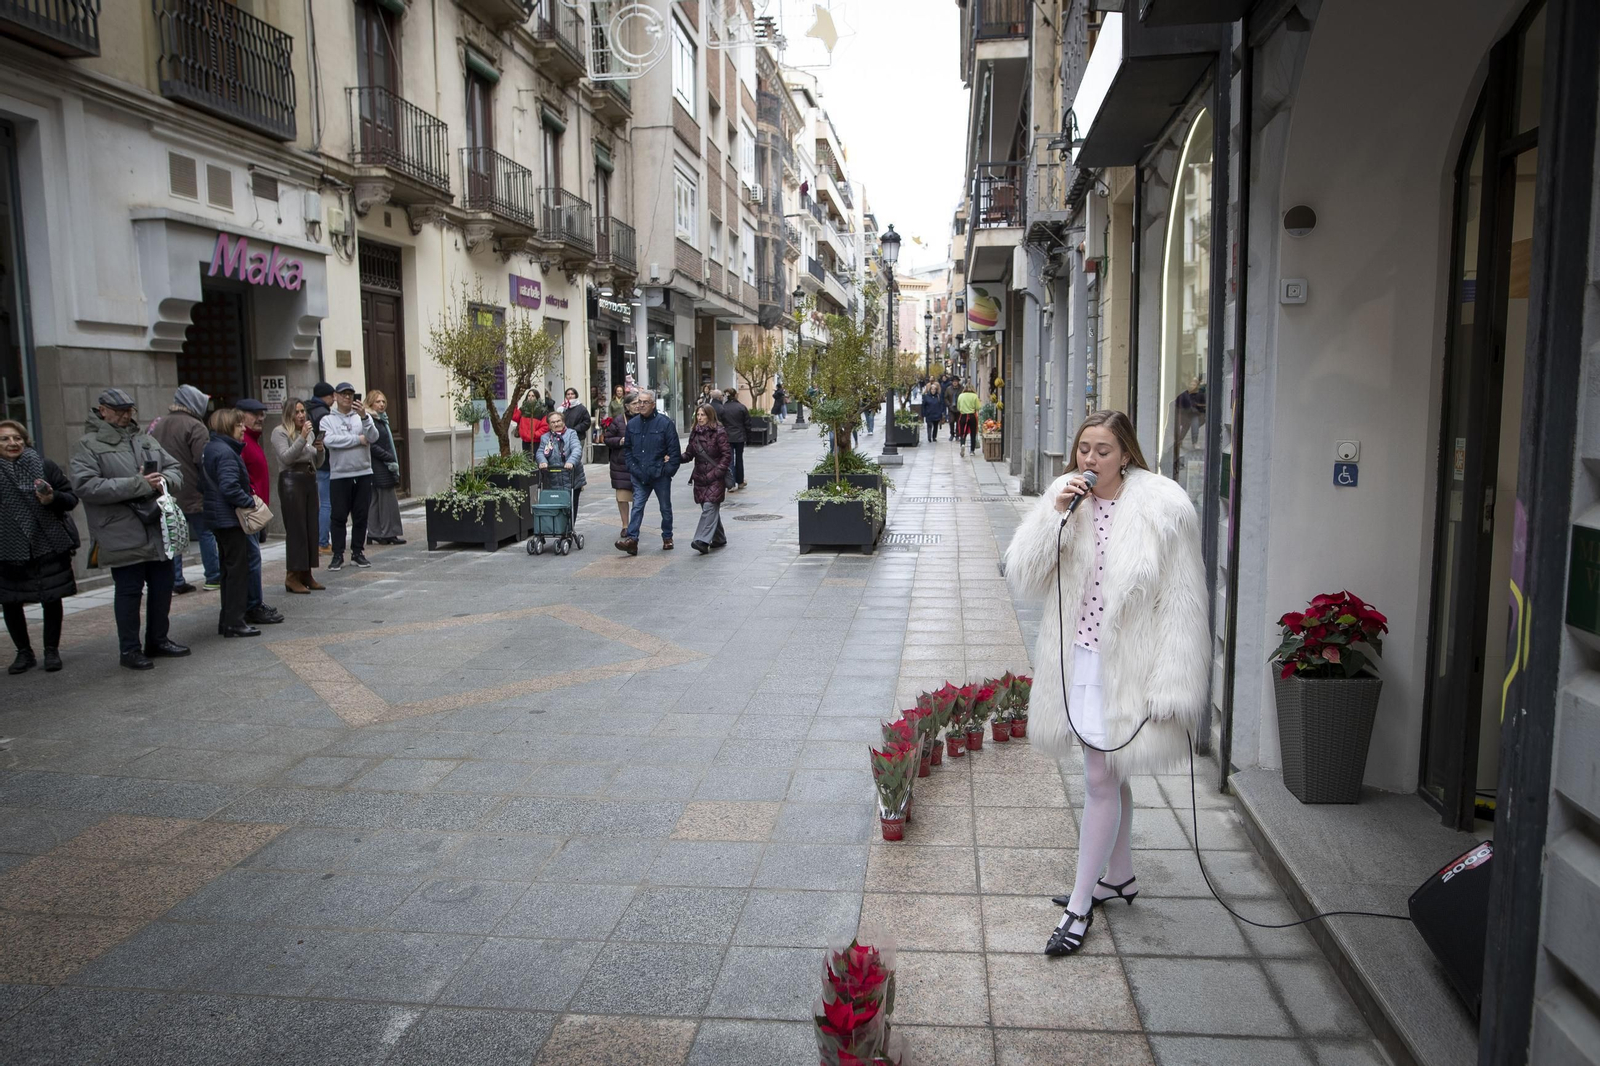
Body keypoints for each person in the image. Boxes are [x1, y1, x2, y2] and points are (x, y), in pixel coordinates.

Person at [1001, 410, 1207, 957]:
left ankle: (1079, 904)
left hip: (1130, 666)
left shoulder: (1164, 507)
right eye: (1083, 448)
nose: (1089, 460)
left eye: (1103, 450)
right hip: (1078, 658)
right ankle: (1121, 876)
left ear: (1127, 454)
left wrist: (1174, 682)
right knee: (1109, 773)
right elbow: (1023, 573)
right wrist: (1053, 515)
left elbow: (1183, 604)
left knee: (1097, 779)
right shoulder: (1066, 500)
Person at [70, 388, 189, 670]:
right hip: (119, 529)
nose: (126, 416)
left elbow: (175, 468)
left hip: (155, 526)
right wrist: (137, 484)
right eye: (119, 410)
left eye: (129, 410)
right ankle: (130, 650)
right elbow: (86, 486)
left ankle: (158, 640)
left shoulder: (144, 438)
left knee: (162, 587)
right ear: (103, 411)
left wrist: (164, 481)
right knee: (129, 591)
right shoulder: (88, 445)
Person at [0, 420, 79, 673]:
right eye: (5, 439)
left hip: (47, 544)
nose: (12, 443)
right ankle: (24, 653)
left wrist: (52, 498)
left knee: (52, 598)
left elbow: (71, 499)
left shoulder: (44, 466)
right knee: (11, 601)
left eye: (17, 438)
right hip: (8, 548)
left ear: (25, 440)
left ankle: (51, 651)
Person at [149, 384, 216, 593]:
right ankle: (213, 576)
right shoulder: (196, 426)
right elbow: (202, 460)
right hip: (193, 490)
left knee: (173, 533)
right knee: (206, 533)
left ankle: (175, 579)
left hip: (166, 490)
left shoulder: (158, 424)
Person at [202, 408, 262, 639]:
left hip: (219, 517)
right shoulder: (226, 452)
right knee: (237, 571)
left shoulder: (212, 448)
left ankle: (227, 621)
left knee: (229, 570)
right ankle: (235, 622)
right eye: (239, 426)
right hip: (229, 519)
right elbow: (229, 487)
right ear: (228, 427)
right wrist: (249, 501)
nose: (243, 429)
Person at [232, 399, 283, 627]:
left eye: (262, 413)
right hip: (246, 512)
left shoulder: (252, 440)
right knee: (252, 560)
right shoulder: (240, 443)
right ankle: (253, 606)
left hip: (255, 510)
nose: (261, 418)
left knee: (253, 559)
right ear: (240, 416)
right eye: (255, 414)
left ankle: (254, 604)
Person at [616, 389, 681, 555]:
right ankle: (632, 540)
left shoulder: (665, 423)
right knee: (637, 506)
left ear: (653, 404)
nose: (641, 405)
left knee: (665, 508)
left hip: (660, 474)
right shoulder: (633, 424)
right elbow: (628, 450)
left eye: (645, 402)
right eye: (639, 402)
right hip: (639, 473)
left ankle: (667, 536)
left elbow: (674, 451)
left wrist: (667, 471)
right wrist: (633, 468)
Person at [322, 382, 379, 572]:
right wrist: (357, 440)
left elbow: (373, 437)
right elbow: (329, 441)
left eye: (351, 394)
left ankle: (357, 552)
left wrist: (364, 417)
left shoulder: (362, 418)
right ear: (336, 396)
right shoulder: (327, 420)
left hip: (363, 472)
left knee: (361, 515)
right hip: (340, 474)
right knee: (338, 516)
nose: (347, 398)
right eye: (344, 394)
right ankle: (338, 554)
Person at [271, 398, 324, 595]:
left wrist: (320, 449)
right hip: (291, 482)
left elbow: (317, 462)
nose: (301, 415)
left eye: (303, 411)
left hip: (309, 480)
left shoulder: (308, 434)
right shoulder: (279, 432)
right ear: (288, 414)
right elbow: (286, 457)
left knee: (310, 528)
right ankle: (292, 575)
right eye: (297, 412)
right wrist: (302, 438)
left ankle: (306, 572)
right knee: (297, 529)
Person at [684, 404, 730, 555]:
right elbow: (689, 454)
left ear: (710, 416)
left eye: (703, 415)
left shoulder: (719, 432)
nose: (700, 418)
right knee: (708, 508)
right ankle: (719, 538)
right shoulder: (695, 433)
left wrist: (717, 472)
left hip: (715, 477)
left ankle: (701, 540)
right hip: (700, 478)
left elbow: (726, 455)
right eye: (698, 415)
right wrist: (674, 457)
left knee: (709, 507)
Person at [365, 390, 405, 546]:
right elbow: (372, 445)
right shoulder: (371, 420)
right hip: (380, 465)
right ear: (370, 404)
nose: (381, 404)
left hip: (380, 464)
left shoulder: (381, 420)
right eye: (377, 402)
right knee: (387, 500)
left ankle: (373, 532)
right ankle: (388, 533)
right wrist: (388, 457)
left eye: (383, 401)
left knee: (376, 500)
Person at [537, 409, 587, 529]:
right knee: (555, 506)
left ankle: (568, 530)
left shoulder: (571, 434)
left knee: (570, 506)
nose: (556, 424)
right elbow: (540, 452)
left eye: (558, 421)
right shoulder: (545, 437)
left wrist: (570, 462)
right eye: (553, 422)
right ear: (549, 425)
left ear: (563, 422)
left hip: (571, 477)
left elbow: (576, 449)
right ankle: (556, 528)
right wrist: (542, 462)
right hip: (552, 478)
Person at [305, 382, 336, 554]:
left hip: (313, 463)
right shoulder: (322, 414)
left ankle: (320, 540)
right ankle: (323, 542)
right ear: (326, 396)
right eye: (332, 396)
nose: (334, 399)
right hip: (324, 463)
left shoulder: (308, 409)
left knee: (321, 503)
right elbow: (321, 439)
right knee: (326, 504)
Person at [603, 392, 636, 534]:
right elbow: (607, 439)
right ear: (627, 406)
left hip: (640, 464)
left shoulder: (645, 419)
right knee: (622, 497)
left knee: (638, 498)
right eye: (634, 403)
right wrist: (619, 441)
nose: (638, 406)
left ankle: (635, 524)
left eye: (639, 403)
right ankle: (625, 525)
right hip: (621, 465)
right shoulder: (619, 420)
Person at [720, 388, 749, 491]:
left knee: (729, 459)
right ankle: (740, 481)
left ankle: (730, 483)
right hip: (739, 436)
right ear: (735, 395)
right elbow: (747, 423)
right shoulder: (741, 407)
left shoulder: (723, 408)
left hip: (727, 436)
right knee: (739, 459)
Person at [558, 387, 592, 455]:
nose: (570, 396)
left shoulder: (581, 408)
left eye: (572, 394)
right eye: (568, 394)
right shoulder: (563, 408)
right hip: (564, 437)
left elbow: (587, 422)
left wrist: (575, 429)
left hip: (578, 437)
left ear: (575, 395)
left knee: (575, 456)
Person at [957, 381, 981, 455]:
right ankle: (972, 451)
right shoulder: (975, 396)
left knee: (962, 432)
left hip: (963, 416)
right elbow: (978, 407)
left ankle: (963, 444)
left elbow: (958, 408)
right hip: (972, 416)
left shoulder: (961, 396)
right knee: (973, 433)